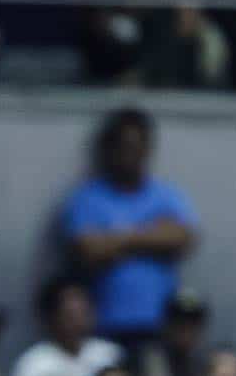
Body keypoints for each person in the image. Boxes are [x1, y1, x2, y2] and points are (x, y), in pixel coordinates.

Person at [58, 108, 198, 345]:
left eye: (137, 146)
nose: (130, 155)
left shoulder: (167, 196)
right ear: (109, 149)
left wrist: (116, 239)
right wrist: (151, 235)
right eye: (123, 146)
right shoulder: (87, 199)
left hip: (160, 325)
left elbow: (182, 238)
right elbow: (88, 250)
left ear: (148, 148)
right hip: (102, 326)